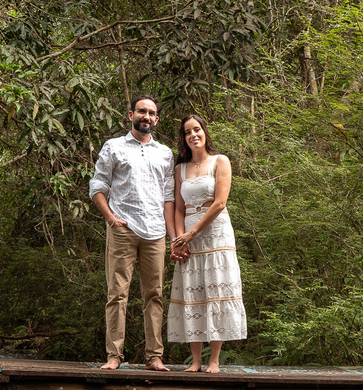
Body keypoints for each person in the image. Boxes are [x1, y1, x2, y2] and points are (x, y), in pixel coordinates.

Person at [90, 96, 177, 371]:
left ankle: (154, 357)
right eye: (142, 111)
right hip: (122, 230)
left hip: (155, 232)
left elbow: (168, 197)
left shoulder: (164, 153)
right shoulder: (113, 146)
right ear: (131, 115)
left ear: (157, 119)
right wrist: (111, 218)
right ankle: (114, 356)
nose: (146, 116)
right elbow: (98, 186)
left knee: (154, 295)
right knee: (117, 294)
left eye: (151, 113)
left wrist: (172, 234)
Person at [166, 114, 247, 373]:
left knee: (216, 292)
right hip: (188, 234)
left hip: (216, 233)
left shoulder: (220, 161)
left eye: (197, 129)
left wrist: (193, 233)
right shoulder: (180, 169)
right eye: (188, 132)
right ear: (184, 138)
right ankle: (196, 360)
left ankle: (214, 360)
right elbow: (179, 208)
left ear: (204, 132)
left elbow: (220, 202)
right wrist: (180, 239)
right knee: (193, 291)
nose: (193, 135)